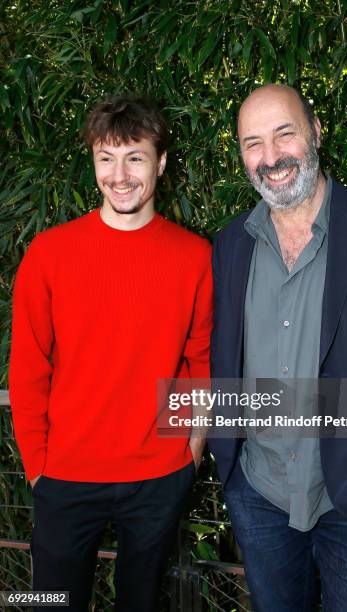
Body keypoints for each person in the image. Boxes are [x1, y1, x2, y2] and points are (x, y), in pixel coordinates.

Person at [9, 95, 212, 611]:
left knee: (141, 603)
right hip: (66, 477)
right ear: (94, 163)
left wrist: (188, 454)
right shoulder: (49, 253)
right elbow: (29, 368)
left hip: (158, 476)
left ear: (161, 163)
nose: (119, 175)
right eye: (106, 158)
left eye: (135, 157)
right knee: (50, 601)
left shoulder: (195, 257)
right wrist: (39, 468)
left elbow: (200, 363)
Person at [209, 84, 347, 611]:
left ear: (316, 132)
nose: (270, 157)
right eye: (253, 143)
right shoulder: (230, 245)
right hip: (258, 494)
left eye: (283, 134)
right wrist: (226, 463)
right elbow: (222, 361)